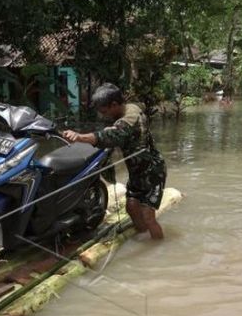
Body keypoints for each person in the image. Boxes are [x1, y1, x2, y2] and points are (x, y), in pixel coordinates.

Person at [63, 83, 167, 240]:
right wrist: (110, 129)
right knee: (131, 207)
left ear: (114, 104)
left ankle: (159, 247)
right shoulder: (131, 108)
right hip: (137, 172)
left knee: (148, 216)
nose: (103, 115)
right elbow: (116, 131)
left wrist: (79, 137)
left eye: (104, 111)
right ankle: (143, 238)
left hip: (153, 172)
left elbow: (108, 136)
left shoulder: (127, 122)